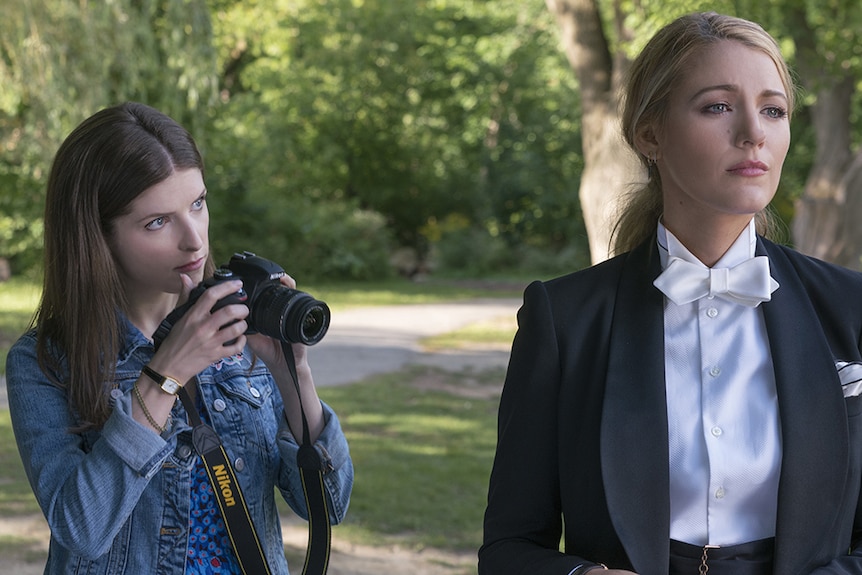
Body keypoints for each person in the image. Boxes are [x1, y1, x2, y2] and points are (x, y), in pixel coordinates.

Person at [479, 11, 862, 575]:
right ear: (649, 134)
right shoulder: (564, 320)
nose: (753, 131)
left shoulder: (852, 310)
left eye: (773, 110)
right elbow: (508, 548)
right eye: (718, 106)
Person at [6, 101, 353, 574]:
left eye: (198, 204)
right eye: (157, 221)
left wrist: (293, 372)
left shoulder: (239, 331)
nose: (194, 240)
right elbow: (82, 529)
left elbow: (328, 506)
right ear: (97, 237)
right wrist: (167, 373)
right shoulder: (47, 361)